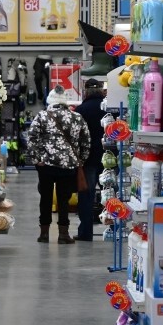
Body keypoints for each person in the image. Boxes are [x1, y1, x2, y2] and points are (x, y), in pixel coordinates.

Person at [27, 85, 91, 244]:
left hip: (46, 165)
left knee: (46, 198)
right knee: (64, 199)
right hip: (68, 165)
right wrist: (80, 161)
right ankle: (63, 234)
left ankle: (44, 234)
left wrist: (37, 159)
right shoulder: (77, 117)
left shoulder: (42, 116)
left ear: (50, 101)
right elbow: (86, 142)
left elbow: (31, 139)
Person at [75, 79, 106, 242]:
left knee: (86, 196)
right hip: (108, 157)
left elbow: (77, 136)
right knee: (110, 194)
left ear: (86, 91)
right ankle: (115, 230)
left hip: (88, 159)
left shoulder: (81, 110)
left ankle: (85, 233)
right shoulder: (108, 107)